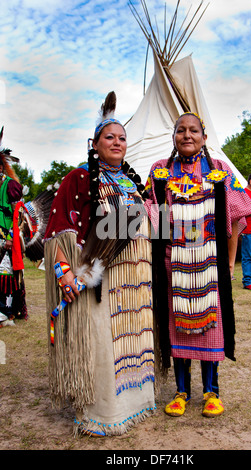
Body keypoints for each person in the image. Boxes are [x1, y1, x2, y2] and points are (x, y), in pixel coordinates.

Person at [43, 92, 155, 436]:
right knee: (104, 344)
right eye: (110, 137)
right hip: (100, 283)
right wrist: (64, 272)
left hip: (137, 281)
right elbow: (59, 228)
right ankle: (104, 413)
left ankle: (137, 404)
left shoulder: (135, 183)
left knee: (135, 339)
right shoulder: (77, 178)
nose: (118, 142)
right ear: (95, 143)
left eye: (122, 138)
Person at [144, 112, 251, 418]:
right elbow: (148, 212)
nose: (187, 135)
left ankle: (211, 392)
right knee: (177, 325)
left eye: (194, 130)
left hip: (209, 262)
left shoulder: (219, 169)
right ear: (174, 137)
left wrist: (230, 262)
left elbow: (238, 214)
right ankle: (181, 392)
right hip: (173, 262)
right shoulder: (159, 171)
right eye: (181, 130)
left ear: (204, 138)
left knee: (211, 326)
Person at [0, 127, 27, 321]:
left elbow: (18, 214)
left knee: (6, 272)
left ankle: (7, 312)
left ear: (1, 167)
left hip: (6, 235)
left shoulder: (10, 185)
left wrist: (10, 237)